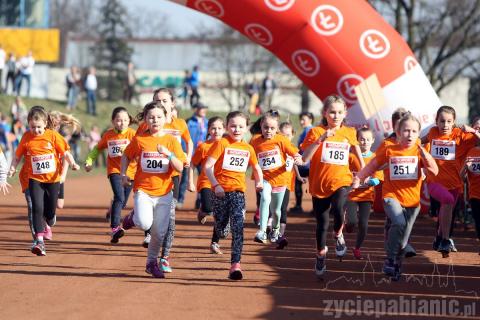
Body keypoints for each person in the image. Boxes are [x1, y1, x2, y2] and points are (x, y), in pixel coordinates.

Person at [353, 113, 438, 280]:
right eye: (406, 131)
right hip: (391, 196)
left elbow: (434, 171)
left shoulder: (421, 149)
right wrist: (359, 178)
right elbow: (372, 165)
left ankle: (397, 265)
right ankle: (390, 260)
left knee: (403, 239)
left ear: (419, 133)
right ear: (398, 132)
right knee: (399, 222)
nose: (410, 135)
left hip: (413, 201)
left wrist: (425, 156)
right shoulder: (389, 148)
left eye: (414, 131)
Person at [301, 95, 365, 277]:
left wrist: (361, 174)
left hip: (341, 181)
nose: (336, 116)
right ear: (325, 113)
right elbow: (305, 158)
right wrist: (321, 138)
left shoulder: (350, 132)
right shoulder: (315, 131)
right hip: (319, 184)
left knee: (338, 209)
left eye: (339, 112)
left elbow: (358, 155)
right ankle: (320, 254)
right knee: (322, 223)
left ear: (345, 113)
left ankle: (338, 234)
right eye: (332, 112)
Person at [121, 101, 186, 278]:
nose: (155, 120)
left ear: (166, 118)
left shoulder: (171, 141)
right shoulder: (140, 139)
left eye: (159, 117)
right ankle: (133, 218)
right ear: (146, 120)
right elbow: (126, 156)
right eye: (151, 117)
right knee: (144, 223)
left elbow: (180, 167)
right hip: (143, 190)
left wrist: (168, 154)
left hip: (165, 193)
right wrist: (123, 174)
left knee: (159, 232)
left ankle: (151, 263)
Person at [8, 106, 80, 256]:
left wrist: (73, 163)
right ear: (28, 124)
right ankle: (39, 241)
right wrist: (12, 168)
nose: (36, 130)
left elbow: (65, 152)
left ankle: (51, 217)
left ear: (45, 123)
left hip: (53, 180)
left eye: (39, 127)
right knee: (36, 207)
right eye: (33, 127)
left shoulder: (53, 136)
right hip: (35, 179)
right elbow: (17, 156)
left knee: (50, 210)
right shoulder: (27, 137)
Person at [204, 111, 263, 280]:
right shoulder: (222, 143)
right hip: (220, 193)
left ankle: (235, 265)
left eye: (240, 126)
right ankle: (222, 228)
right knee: (222, 231)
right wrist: (216, 185)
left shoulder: (248, 148)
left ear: (246, 128)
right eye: (233, 126)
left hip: (238, 193)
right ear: (227, 127)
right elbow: (208, 166)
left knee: (239, 227)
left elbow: (257, 168)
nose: (236, 129)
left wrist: (259, 182)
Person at [421, 106, 480, 256]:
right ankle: (446, 240)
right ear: (436, 121)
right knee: (446, 202)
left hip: (455, 184)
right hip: (434, 181)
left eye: (449, 121)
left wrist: (473, 131)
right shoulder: (433, 132)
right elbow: (421, 140)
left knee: (446, 213)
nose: (445, 125)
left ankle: (439, 237)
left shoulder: (462, 135)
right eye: (442, 121)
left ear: (454, 122)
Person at [85, 107, 137, 243]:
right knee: (119, 197)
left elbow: (142, 148)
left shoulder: (132, 134)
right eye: (119, 120)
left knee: (122, 202)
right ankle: (115, 228)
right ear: (113, 121)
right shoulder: (108, 135)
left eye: (125, 120)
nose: (122, 123)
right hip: (115, 171)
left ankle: (112, 208)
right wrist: (89, 161)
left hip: (131, 172)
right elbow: (97, 148)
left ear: (129, 121)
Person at [251, 111, 302, 244]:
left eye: (272, 128)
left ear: (277, 129)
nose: (268, 130)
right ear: (261, 126)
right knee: (265, 198)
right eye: (266, 127)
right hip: (265, 178)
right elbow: (248, 155)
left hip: (280, 179)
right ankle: (262, 231)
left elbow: (294, 152)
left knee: (276, 211)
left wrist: (298, 158)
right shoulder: (255, 141)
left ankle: (275, 228)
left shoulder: (281, 140)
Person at [188, 116, 225, 254]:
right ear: (208, 130)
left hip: (222, 184)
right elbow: (192, 164)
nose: (216, 131)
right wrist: (191, 182)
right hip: (206, 182)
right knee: (209, 208)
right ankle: (203, 211)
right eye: (213, 128)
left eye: (220, 128)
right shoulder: (203, 147)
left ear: (224, 129)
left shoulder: (227, 145)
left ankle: (215, 243)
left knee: (219, 214)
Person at [345, 127, 382, 260]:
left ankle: (357, 248)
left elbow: (379, 178)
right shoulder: (351, 156)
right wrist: (352, 180)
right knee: (352, 221)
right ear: (357, 140)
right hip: (352, 195)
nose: (364, 142)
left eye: (367, 139)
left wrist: (370, 182)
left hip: (366, 196)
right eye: (361, 139)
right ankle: (348, 225)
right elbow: (344, 172)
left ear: (372, 141)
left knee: (364, 224)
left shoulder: (375, 158)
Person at [276, 121, 301, 249]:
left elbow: (295, 163)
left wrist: (299, 176)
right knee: (273, 208)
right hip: (274, 183)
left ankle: (280, 235)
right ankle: (270, 229)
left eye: (288, 135)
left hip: (286, 184)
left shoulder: (294, 149)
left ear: (292, 135)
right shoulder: (276, 148)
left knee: (283, 209)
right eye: (283, 135)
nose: (285, 137)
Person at [183, 102, 209, 208]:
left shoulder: (207, 122)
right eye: (201, 108)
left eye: (205, 108)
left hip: (203, 155)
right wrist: (185, 152)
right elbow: (184, 138)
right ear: (196, 109)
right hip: (190, 154)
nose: (203, 110)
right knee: (185, 178)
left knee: (203, 178)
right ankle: (179, 200)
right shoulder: (189, 121)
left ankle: (200, 201)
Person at [291, 111, 314, 213]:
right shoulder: (306, 130)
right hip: (308, 163)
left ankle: (299, 206)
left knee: (298, 183)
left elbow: (305, 148)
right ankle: (314, 208)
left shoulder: (309, 131)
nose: (301, 121)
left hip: (306, 163)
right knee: (312, 186)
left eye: (303, 119)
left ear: (310, 120)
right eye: (300, 119)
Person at [461, 138, 480, 255]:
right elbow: (462, 177)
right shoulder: (471, 152)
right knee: (478, 223)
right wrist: (465, 168)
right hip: (475, 195)